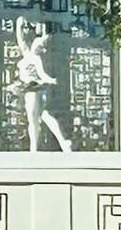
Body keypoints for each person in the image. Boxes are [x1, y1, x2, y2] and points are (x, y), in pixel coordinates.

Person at [10, 16, 73, 153]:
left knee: (34, 119)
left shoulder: (36, 59)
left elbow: (41, 73)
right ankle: (61, 142)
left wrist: (48, 80)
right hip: (33, 89)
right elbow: (21, 39)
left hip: (33, 89)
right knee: (43, 116)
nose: (36, 45)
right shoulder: (28, 54)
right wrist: (19, 25)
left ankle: (36, 147)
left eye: (39, 45)